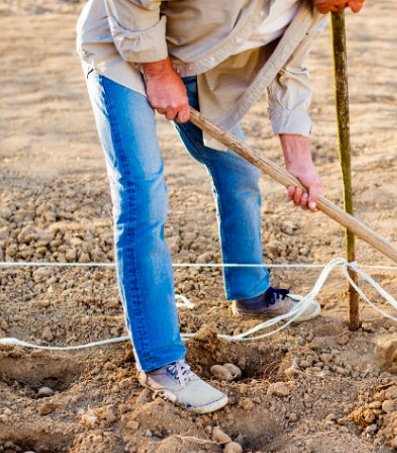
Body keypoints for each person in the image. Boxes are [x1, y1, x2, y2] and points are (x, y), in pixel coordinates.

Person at [76, 0, 366, 414]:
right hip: (122, 49)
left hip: (198, 68)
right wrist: (157, 71)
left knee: (239, 174)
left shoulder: (317, 8)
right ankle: (160, 361)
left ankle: (251, 293)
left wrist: (298, 159)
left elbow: (289, 70)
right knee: (142, 192)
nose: (353, 7)